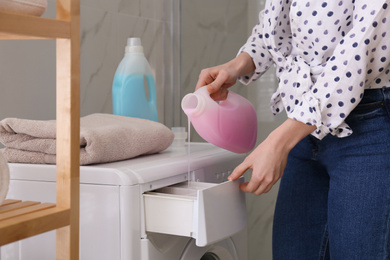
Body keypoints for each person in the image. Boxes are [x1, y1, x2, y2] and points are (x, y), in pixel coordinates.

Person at [195, 1, 390, 259]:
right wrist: (238, 64)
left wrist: (279, 141)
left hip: (367, 126)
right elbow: (275, 26)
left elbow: (359, 49)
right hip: (303, 129)